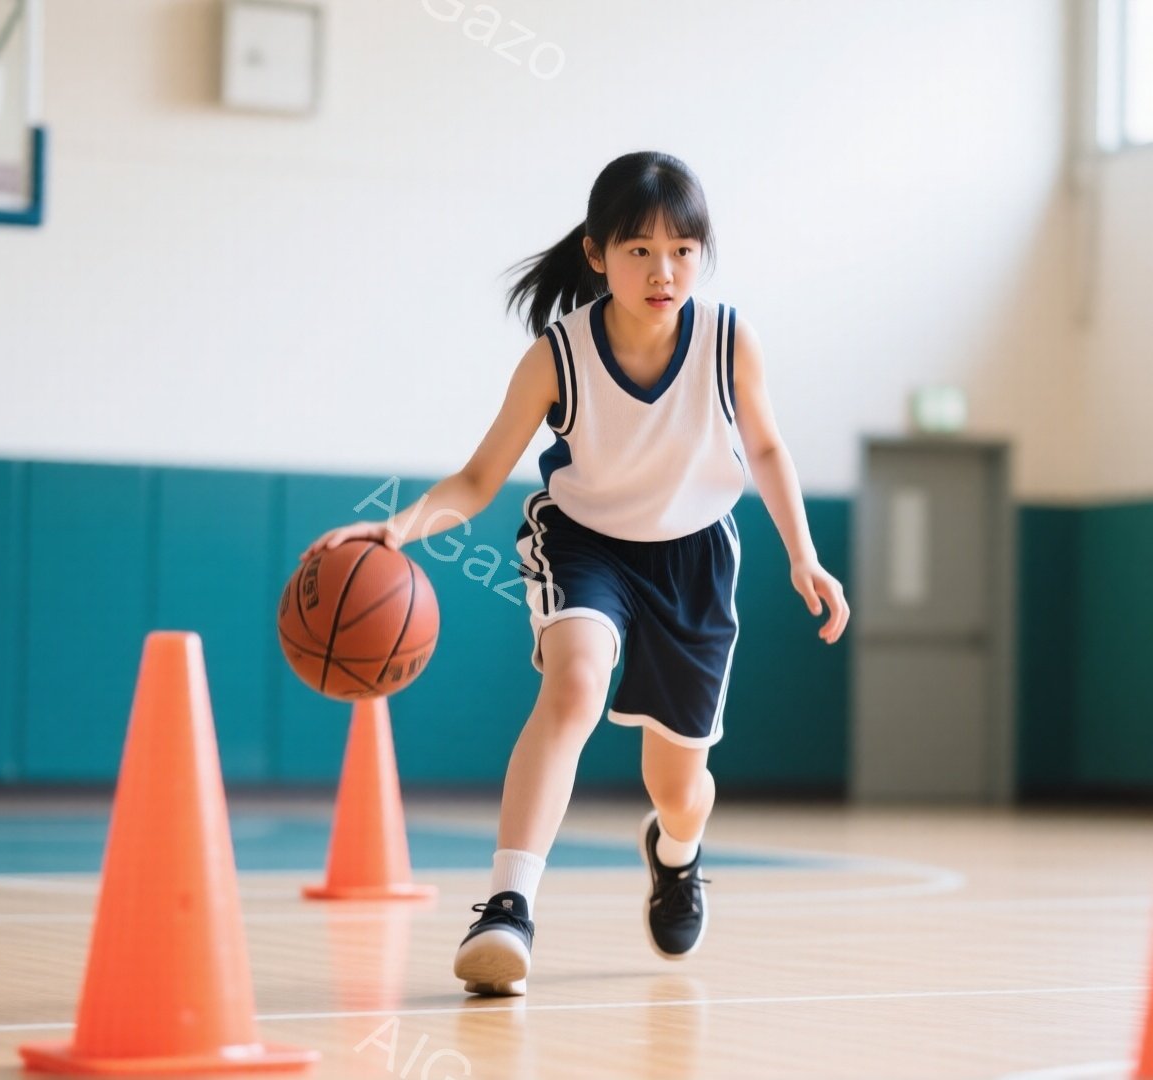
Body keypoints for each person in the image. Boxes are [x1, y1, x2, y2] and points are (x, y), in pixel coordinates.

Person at [299, 150, 849, 996]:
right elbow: (479, 479)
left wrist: (804, 555)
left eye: (683, 251)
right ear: (597, 254)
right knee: (574, 687)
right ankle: (507, 906)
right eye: (639, 251)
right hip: (585, 545)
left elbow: (767, 447)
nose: (664, 271)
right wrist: (401, 527)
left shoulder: (730, 338)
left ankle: (676, 854)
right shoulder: (558, 357)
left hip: (696, 556)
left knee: (680, 787)